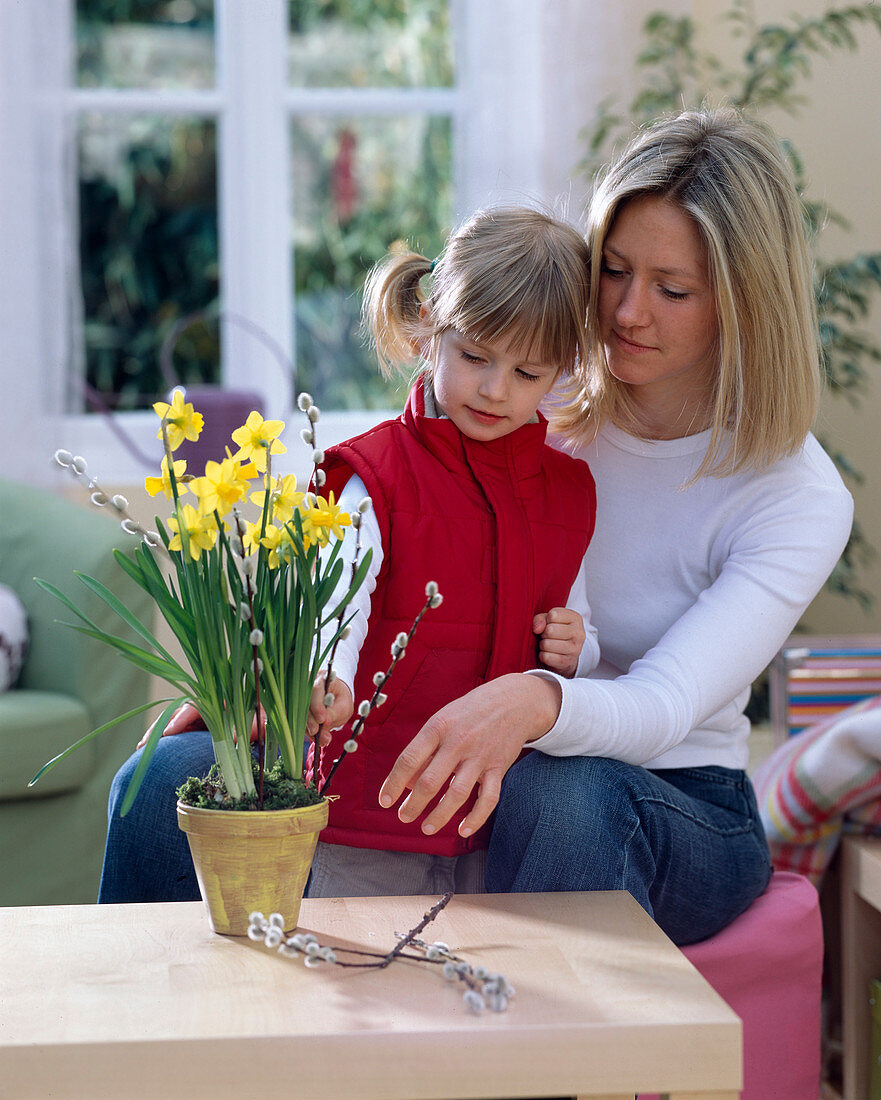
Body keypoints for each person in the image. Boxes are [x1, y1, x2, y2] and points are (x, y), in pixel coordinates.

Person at [375, 106, 854, 945]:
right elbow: (397, 497)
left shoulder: (795, 494)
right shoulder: (528, 390)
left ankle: (524, 1074)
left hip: (678, 799)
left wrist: (533, 703)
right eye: (614, 272)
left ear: (743, 304)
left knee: (566, 795)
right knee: (184, 772)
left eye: (671, 290)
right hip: (500, 755)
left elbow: (664, 704)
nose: (627, 313)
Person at [98, 206, 600, 903]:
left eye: (526, 372)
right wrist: (326, 672)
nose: (494, 389)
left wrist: (579, 648)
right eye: (475, 357)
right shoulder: (374, 471)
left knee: (468, 978)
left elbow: (577, 620)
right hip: (369, 803)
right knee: (361, 977)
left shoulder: (569, 490)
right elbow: (342, 596)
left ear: (564, 369)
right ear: (430, 329)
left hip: (490, 805)